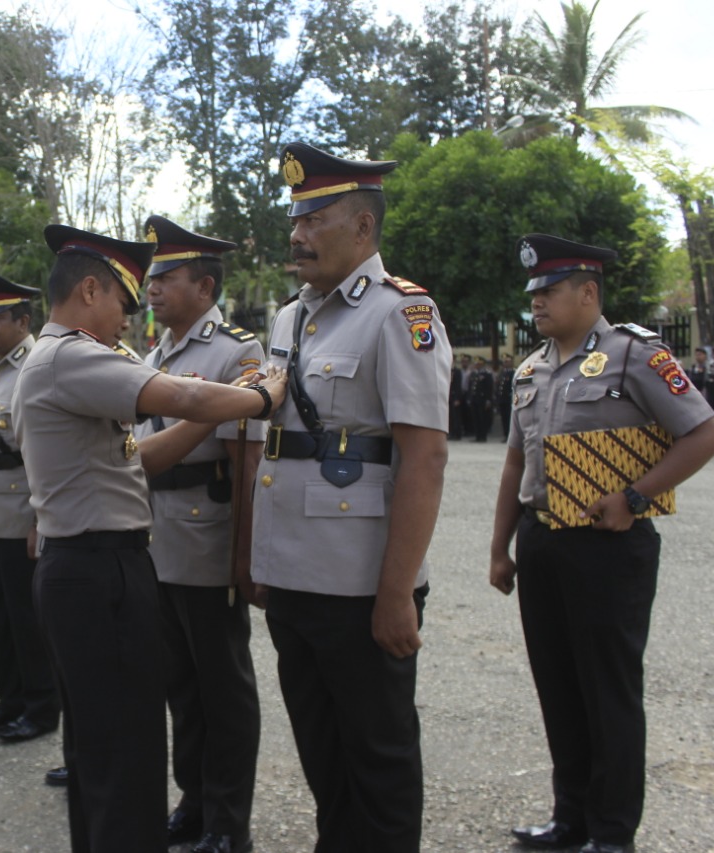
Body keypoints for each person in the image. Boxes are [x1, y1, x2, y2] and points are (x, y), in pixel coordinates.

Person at [12, 224, 287, 853]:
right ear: (88, 290)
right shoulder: (74, 355)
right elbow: (187, 393)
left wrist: (210, 416)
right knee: (126, 751)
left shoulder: (57, 359)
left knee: (103, 748)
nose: (127, 318)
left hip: (91, 564)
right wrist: (262, 395)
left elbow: (135, 458)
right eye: (121, 302)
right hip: (99, 569)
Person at [489, 234, 714, 853]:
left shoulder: (633, 357)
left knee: (607, 690)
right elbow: (516, 464)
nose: (535, 302)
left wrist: (635, 498)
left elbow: (704, 434)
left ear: (589, 293)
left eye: (549, 290)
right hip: (542, 540)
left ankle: (613, 833)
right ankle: (572, 821)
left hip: (608, 546)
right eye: (532, 292)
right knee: (558, 687)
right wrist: (499, 546)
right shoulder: (531, 367)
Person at [254, 143, 452, 853]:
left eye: (315, 220)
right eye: (294, 221)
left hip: (361, 582)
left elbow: (424, 456)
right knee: (321, 750)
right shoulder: (290, 319)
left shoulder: (401, 313)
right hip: (295, 576)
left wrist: (397, 591)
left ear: (363, 228)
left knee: (379, 756)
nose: (296, 236)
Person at [133, 214, 265, 853]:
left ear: (205, 287)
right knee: (180, 684)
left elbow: (247, 462)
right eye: (152, 278)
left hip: (210, 534)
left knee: (223, 687)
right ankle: (193, 798)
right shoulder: (152, 355)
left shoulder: (237, 352)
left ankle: (227, 822)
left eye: (167, 277)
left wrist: (245, 553)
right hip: (159, 537)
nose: (152, 288)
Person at [0, 272, 61, 743]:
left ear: (23, 320)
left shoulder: (32, 369)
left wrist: (38, 521)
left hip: (21, 517)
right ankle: (9, 700)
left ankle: (41, 709)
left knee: (27, 621)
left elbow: (40, 454)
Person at [470, 355, 495, 441]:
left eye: (479, 364)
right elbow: (471, 387)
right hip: (475, 399)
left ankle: (483, 436)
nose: (477, 365)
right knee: (475, 418)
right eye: (476, 364)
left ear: (482, 364)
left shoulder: (487, 374)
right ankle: (477, 436)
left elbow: (489, 388)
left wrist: (488, 400)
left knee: (482, 418)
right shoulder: (474, 374)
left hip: (482, 399)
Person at [497, 353, 516, 439]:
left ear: (512, 362)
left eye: (507, 361)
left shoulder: (514, 372)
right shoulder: (502, 373)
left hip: (509, 399)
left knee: (509, 418)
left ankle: (510, 436)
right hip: (502, 399)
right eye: (504, 362)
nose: (505, 363)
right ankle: (505, 434)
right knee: (503, 418)